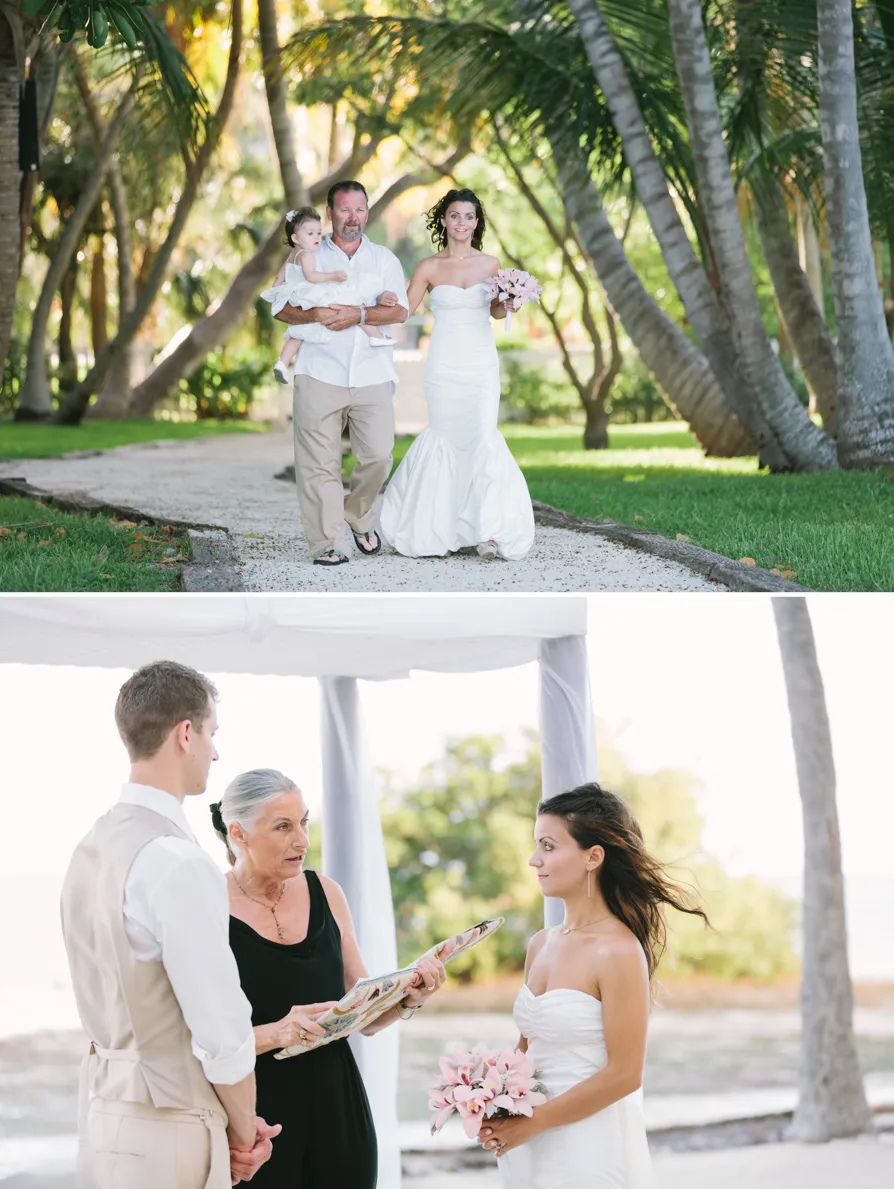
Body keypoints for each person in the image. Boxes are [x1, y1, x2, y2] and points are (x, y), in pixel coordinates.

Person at [60, 661, 280, 1189]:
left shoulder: (89, 847)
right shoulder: (177, 860)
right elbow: (221, 1032)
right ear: (186, 734)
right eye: (212, 733)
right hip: (170, 1128)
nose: (215, 751)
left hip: (102, 1119)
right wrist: (245, 1132)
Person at [210, 768, 447, 1188]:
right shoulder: (206, 907)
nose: (301, 840)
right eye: (283, 827)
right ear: (238, 833)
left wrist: (411, 994)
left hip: (339, 1109)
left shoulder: (326, 892)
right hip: (253, 1122)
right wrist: (276, 1034)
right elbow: (201, 1039)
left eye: (303, 823)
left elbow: (364, 1015)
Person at [479, 783, 709, 1187]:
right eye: (536, 846)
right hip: (531, 1141)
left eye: (549, 846)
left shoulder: (618, 951)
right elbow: (527, 1048)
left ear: (593, 857)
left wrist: (536, 1122)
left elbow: (625, 1074)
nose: (534, 860)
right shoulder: (541, 944)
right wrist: (491, 1097)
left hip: (586, 1145)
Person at [378, 187, 536, 561]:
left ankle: (489, 529)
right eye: (454, 215)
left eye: (469, 216)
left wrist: (511, 301)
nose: (461, 223)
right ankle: (437, 529)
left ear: (476, 222)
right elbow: (404, 309)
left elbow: (497, 312)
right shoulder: (429, 267)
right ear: (443, 220)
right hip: (444, 365)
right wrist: (384, 302)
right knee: (445, 437)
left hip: (481, 364)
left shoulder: (491, 265)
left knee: (482, 436)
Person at [273, 181, 409, 567]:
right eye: (345, 210)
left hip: (372, 372)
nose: (353, 218)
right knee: (318, 463)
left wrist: (360, 314)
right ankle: (327, 542)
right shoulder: (305, 255)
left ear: (368, 212)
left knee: (379, 456)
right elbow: (279, 307)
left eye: (360, 210)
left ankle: (358, 515)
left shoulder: (384, 259)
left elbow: (400, 312)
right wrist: (313, 315)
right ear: (330, 212)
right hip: (319, 371)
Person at [262, 206, 396, 387]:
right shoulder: (307, 255)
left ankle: (282, 362)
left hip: (297, 298)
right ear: (295, 238)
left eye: (318, 232)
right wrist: (334, 276)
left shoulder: (291, 256)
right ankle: (376, 335)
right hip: (312, 295)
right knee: (356, 306)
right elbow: (312, 276)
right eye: (311, 234)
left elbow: (279, 279)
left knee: (297, 334)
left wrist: (278, 294)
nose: (317, 237)